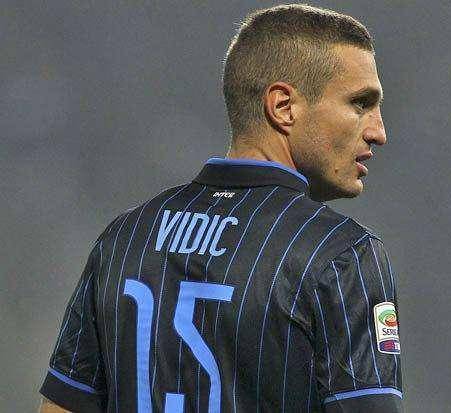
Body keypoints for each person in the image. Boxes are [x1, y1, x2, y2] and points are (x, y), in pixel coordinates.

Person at [39, 4, 403, 412]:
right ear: (283, 107)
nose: (379, 131)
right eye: (360, 103)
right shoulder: (341, 255)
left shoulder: (124, 240)